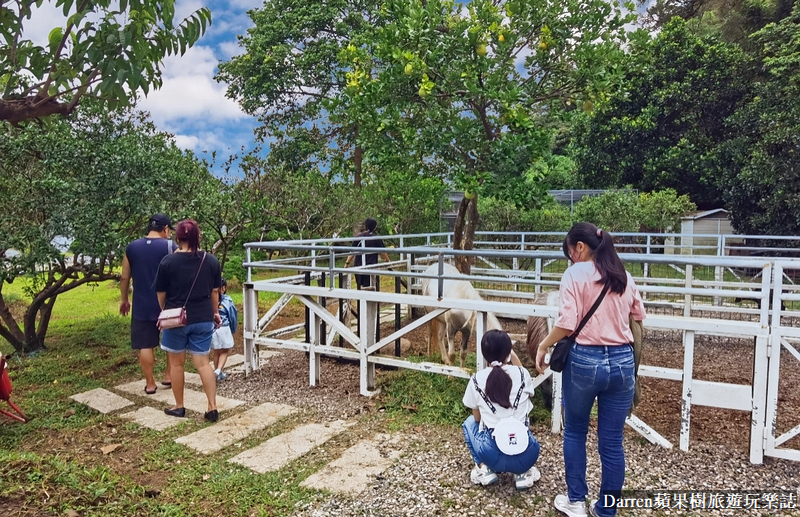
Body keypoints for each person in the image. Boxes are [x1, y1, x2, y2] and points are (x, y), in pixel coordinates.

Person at [535, 222, 646, 517]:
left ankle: (576, 502)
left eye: (570, 252)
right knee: (612, 443)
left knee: (574, 432)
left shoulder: (574, 274)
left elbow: (568, 323)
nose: (570, 259)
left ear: (580, 248)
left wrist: (543, 345)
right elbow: (639, 314)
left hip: (585, 361)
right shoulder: (622, 275)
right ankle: (606, 511)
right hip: (622, 363)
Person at [154, 219, 222, 423]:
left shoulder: (167, 262)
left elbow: (160, 293)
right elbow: (214, 291)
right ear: (198, 237)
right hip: (202, 317)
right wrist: (215, 312)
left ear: (177, 238)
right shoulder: (210, 261)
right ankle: (212, 407)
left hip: (176, 320)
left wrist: (164, 312)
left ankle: (179, 406)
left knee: (177, 364)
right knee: (203, 363)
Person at [462, 330, 542, 491]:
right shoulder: (522, 374)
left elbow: (477, 419)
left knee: (469, 423)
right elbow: (522, 375)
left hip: (493, 455)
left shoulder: (477, 379)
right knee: (523, 421)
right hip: (527, 454)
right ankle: (522, 473)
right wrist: (509, 354)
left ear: (484, 355)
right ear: (508, 352)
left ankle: (484, 469)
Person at [120, 214, 176, 395]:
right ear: (166, 229)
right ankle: (168, 376)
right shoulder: (170, 246)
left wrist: (124, 300)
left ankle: (150, 384)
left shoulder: (132, 247)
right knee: (170, 341)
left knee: (145, 345)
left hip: (141, 304)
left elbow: (124, 277)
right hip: (167, 304)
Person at [344, 218, 391, 289]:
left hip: (358, 266)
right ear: (375, 227)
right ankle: (369, 300)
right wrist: (388, 261)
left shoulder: (358, 237)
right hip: (370, 266)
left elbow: (352, 252)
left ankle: (361, 300)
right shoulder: (376, 238)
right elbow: (383, 253)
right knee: (371, 287)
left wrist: (347, 263)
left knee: (360, 287)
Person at [211, 278, 238, 382]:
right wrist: (233, 328)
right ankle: (219, 370)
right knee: (224, 351)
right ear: (223, 288)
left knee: (216, 351)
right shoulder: (227, 300)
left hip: (213, 329)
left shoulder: (210, 300)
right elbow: (232, 315)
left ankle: (217, 372)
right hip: (224, 327)